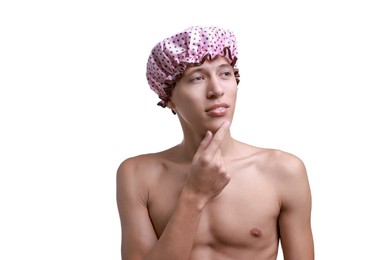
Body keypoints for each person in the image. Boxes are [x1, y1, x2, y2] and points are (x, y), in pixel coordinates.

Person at [116, 25, 314, 260]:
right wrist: (194, 195)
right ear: (168, 98)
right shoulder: (138, 175)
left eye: (225, 73)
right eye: (197, 77)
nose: (217, 90)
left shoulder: (283, 170)